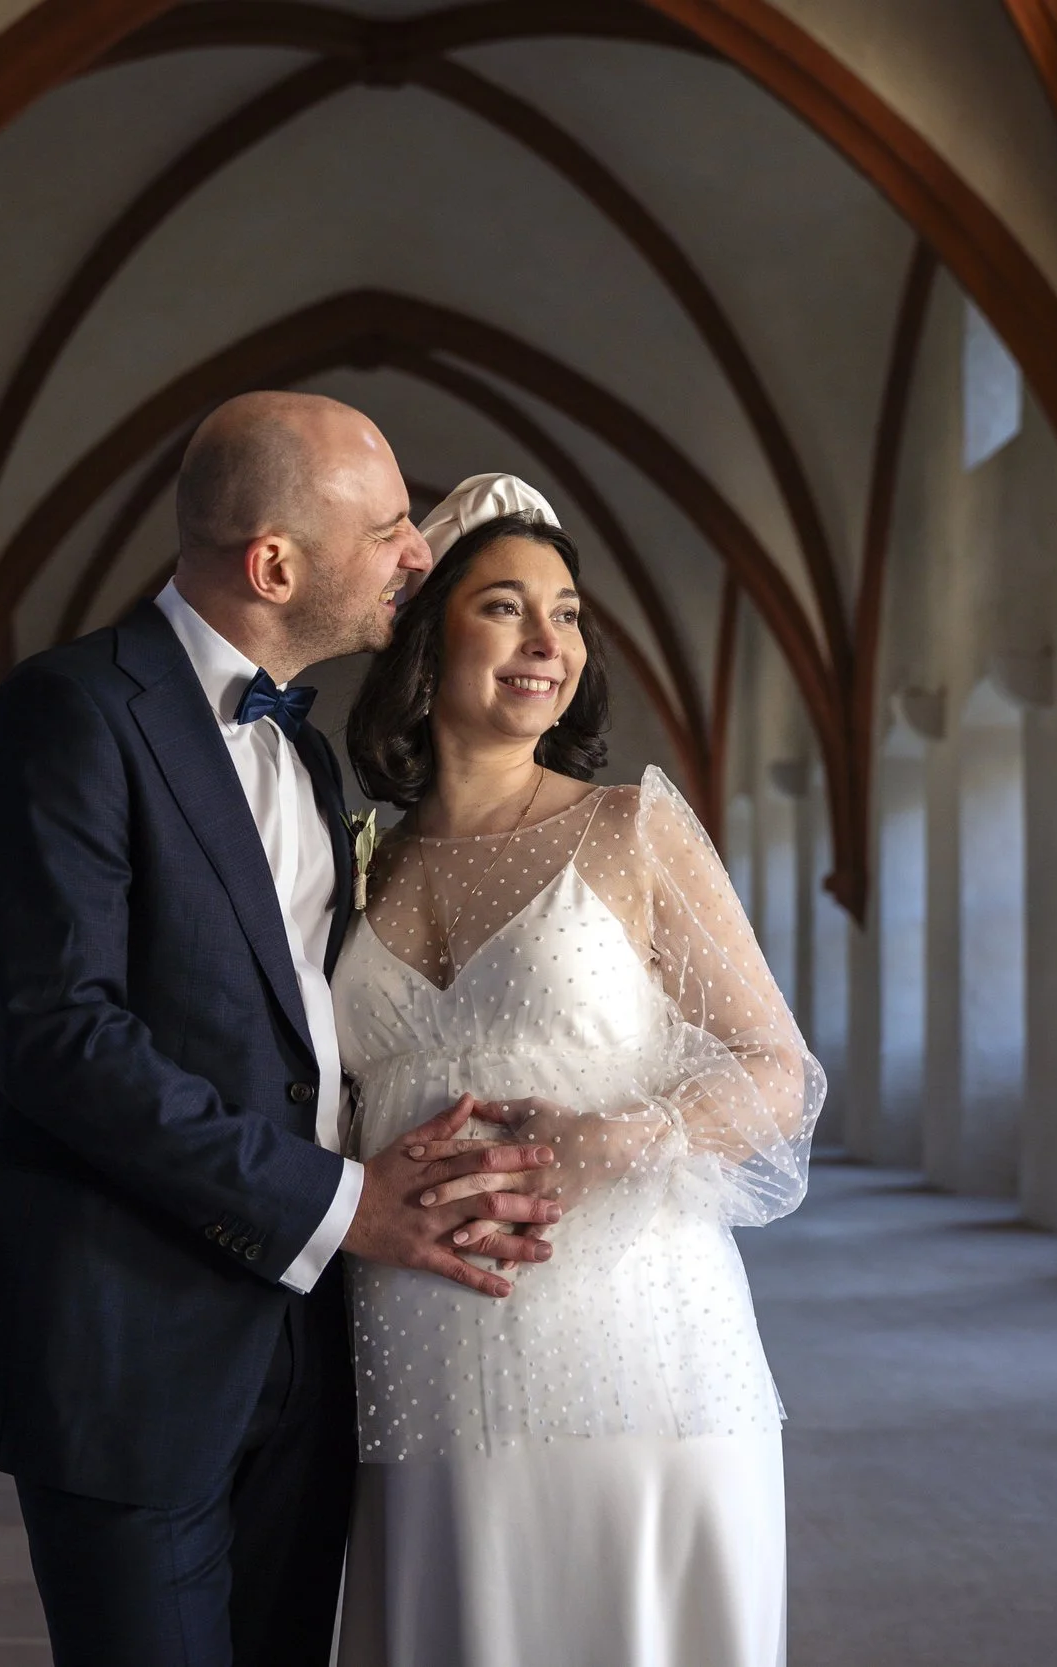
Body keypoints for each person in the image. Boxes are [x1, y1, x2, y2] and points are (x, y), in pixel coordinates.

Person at [0, 399, 566, 1667]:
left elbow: (305, 1024)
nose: (419, 555)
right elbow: (61, 1040)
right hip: (127, 1336)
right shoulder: (68, 716)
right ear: (274, 565)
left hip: (305, 1340)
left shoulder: (309, 758)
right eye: (386, 532)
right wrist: (344, 1203)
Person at [334, 474, 825, 1666]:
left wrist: (611, 1140)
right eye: (504, 606)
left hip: (630, 1338)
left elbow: (777, 1069)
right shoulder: (356, 864)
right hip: (412, 1352)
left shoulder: (628, 828)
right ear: (419, 633)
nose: (548, 641)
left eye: (568, 612)